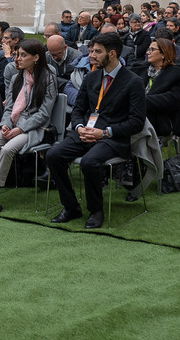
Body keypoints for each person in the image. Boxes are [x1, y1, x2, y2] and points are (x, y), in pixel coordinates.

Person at [45, 33, 145, 229]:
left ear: (112, 54)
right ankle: (71, 206)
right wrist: (79, 127)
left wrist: (105, 133)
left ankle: (96, 210)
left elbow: (136, 123)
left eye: (97, 52)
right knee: (53, 155)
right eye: (91, 51)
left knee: (89, 162)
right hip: (86, 132)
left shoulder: (133, 82)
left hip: (112, 138)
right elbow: (78, 110)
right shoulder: (91, 77)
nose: (91, 55)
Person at [0, 39, 58, 217]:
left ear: (36, 57)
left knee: (7, 149)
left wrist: (20, 128)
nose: (18, 59)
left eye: (23, 55)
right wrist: (5, 125)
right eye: (17, 55)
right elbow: (9, 107)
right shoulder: (17, 78)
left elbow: (44, 113)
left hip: (36, 127)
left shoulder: (48, 77)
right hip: (13, 123)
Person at [142, 37, 180, 139]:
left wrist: (140, 100)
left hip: (163, 119)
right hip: (139, 114)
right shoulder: (141, 70)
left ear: (163, 54)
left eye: (152, 50)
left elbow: (171, 100)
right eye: (148, 49)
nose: (148, 52)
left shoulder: (177, 73)